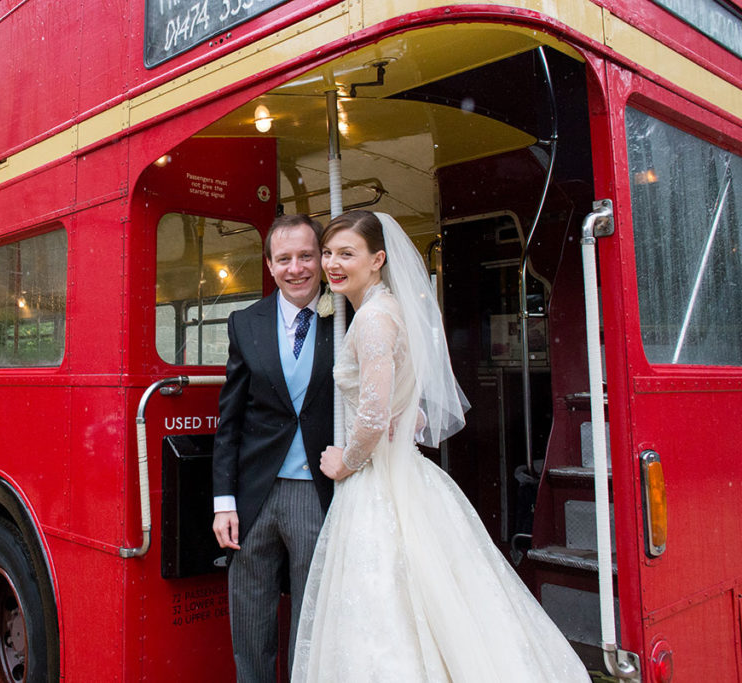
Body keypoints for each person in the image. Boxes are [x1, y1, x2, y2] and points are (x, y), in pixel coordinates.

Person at [292, 210, 591, 682]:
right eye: (328, 252)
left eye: (346, 253)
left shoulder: (372, 319)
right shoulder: (388, 308)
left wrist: (343, 462)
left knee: (381, 602)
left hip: (376, 480)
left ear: (378, 259)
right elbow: (404, 401)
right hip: (403, 472)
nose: (331, 263)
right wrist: (405, 415)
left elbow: (370, 415)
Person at [212, 214, 335, 683]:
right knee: (250, 623)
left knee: (312, 625)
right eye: (285, 259)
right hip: (253, 497)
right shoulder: (245, 323)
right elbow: (231, 421)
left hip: (317, 494)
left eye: (306, 256)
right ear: (269, 265)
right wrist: (224, 501)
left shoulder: (344, 316)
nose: (296, 268)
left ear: (321, 261)